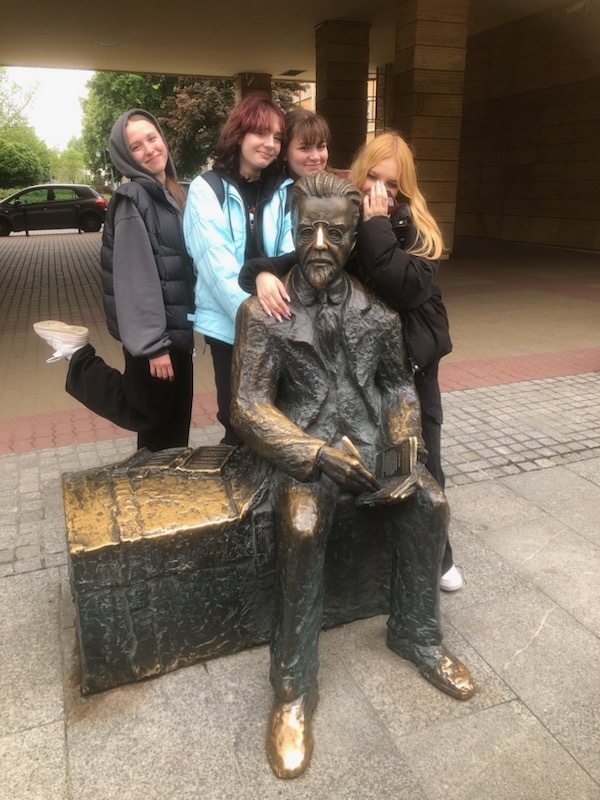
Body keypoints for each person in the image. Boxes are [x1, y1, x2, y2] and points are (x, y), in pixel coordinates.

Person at [231, 172, 474, 780]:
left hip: (368, 445)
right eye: (307, 230)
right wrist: (314, 455)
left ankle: (416, 635)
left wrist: (405, 447)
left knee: (429, 502)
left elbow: (397, 388)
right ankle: (293, 689)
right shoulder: (262, 314)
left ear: (353, 238)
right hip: (304, 451)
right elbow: (249, 406)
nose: (319, 244)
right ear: (292, 230)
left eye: (335, 233)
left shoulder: (378, 314)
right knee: (302, 522)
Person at [239, 130, 462, 592]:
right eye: (373, 179)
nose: (382, 190)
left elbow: (401, 287)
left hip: (414, 366)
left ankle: (438, 560)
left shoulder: (417, 232)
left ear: (407, 188)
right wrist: (260, 272)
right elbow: (303, 251)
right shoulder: (340, 221)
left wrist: (374, 224)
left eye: (393, 183)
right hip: (367, 378)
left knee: (425, 466)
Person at [34, 108, 195, 452]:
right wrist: (153, 347)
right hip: (155, 336)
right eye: (136, 146)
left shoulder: (169, 193)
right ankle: (78, 357)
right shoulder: (133, 199)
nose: (149, 149)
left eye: (152, 138)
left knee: (170, 426)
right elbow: (136, 279)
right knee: (150, 418)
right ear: (125, 156)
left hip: (176, 332)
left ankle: (164, 481)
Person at [183, 92, 294, 444]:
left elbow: (292, 254)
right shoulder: (206, 189)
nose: (270, 144)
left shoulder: (284, 189)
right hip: (231, 326)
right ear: (239, 134)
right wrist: (260, 322)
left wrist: (273, 289)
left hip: (279, 320)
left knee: (281, 419)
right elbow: (216, 266)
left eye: (277, 137)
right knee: (237, 418)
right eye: (261, 133)